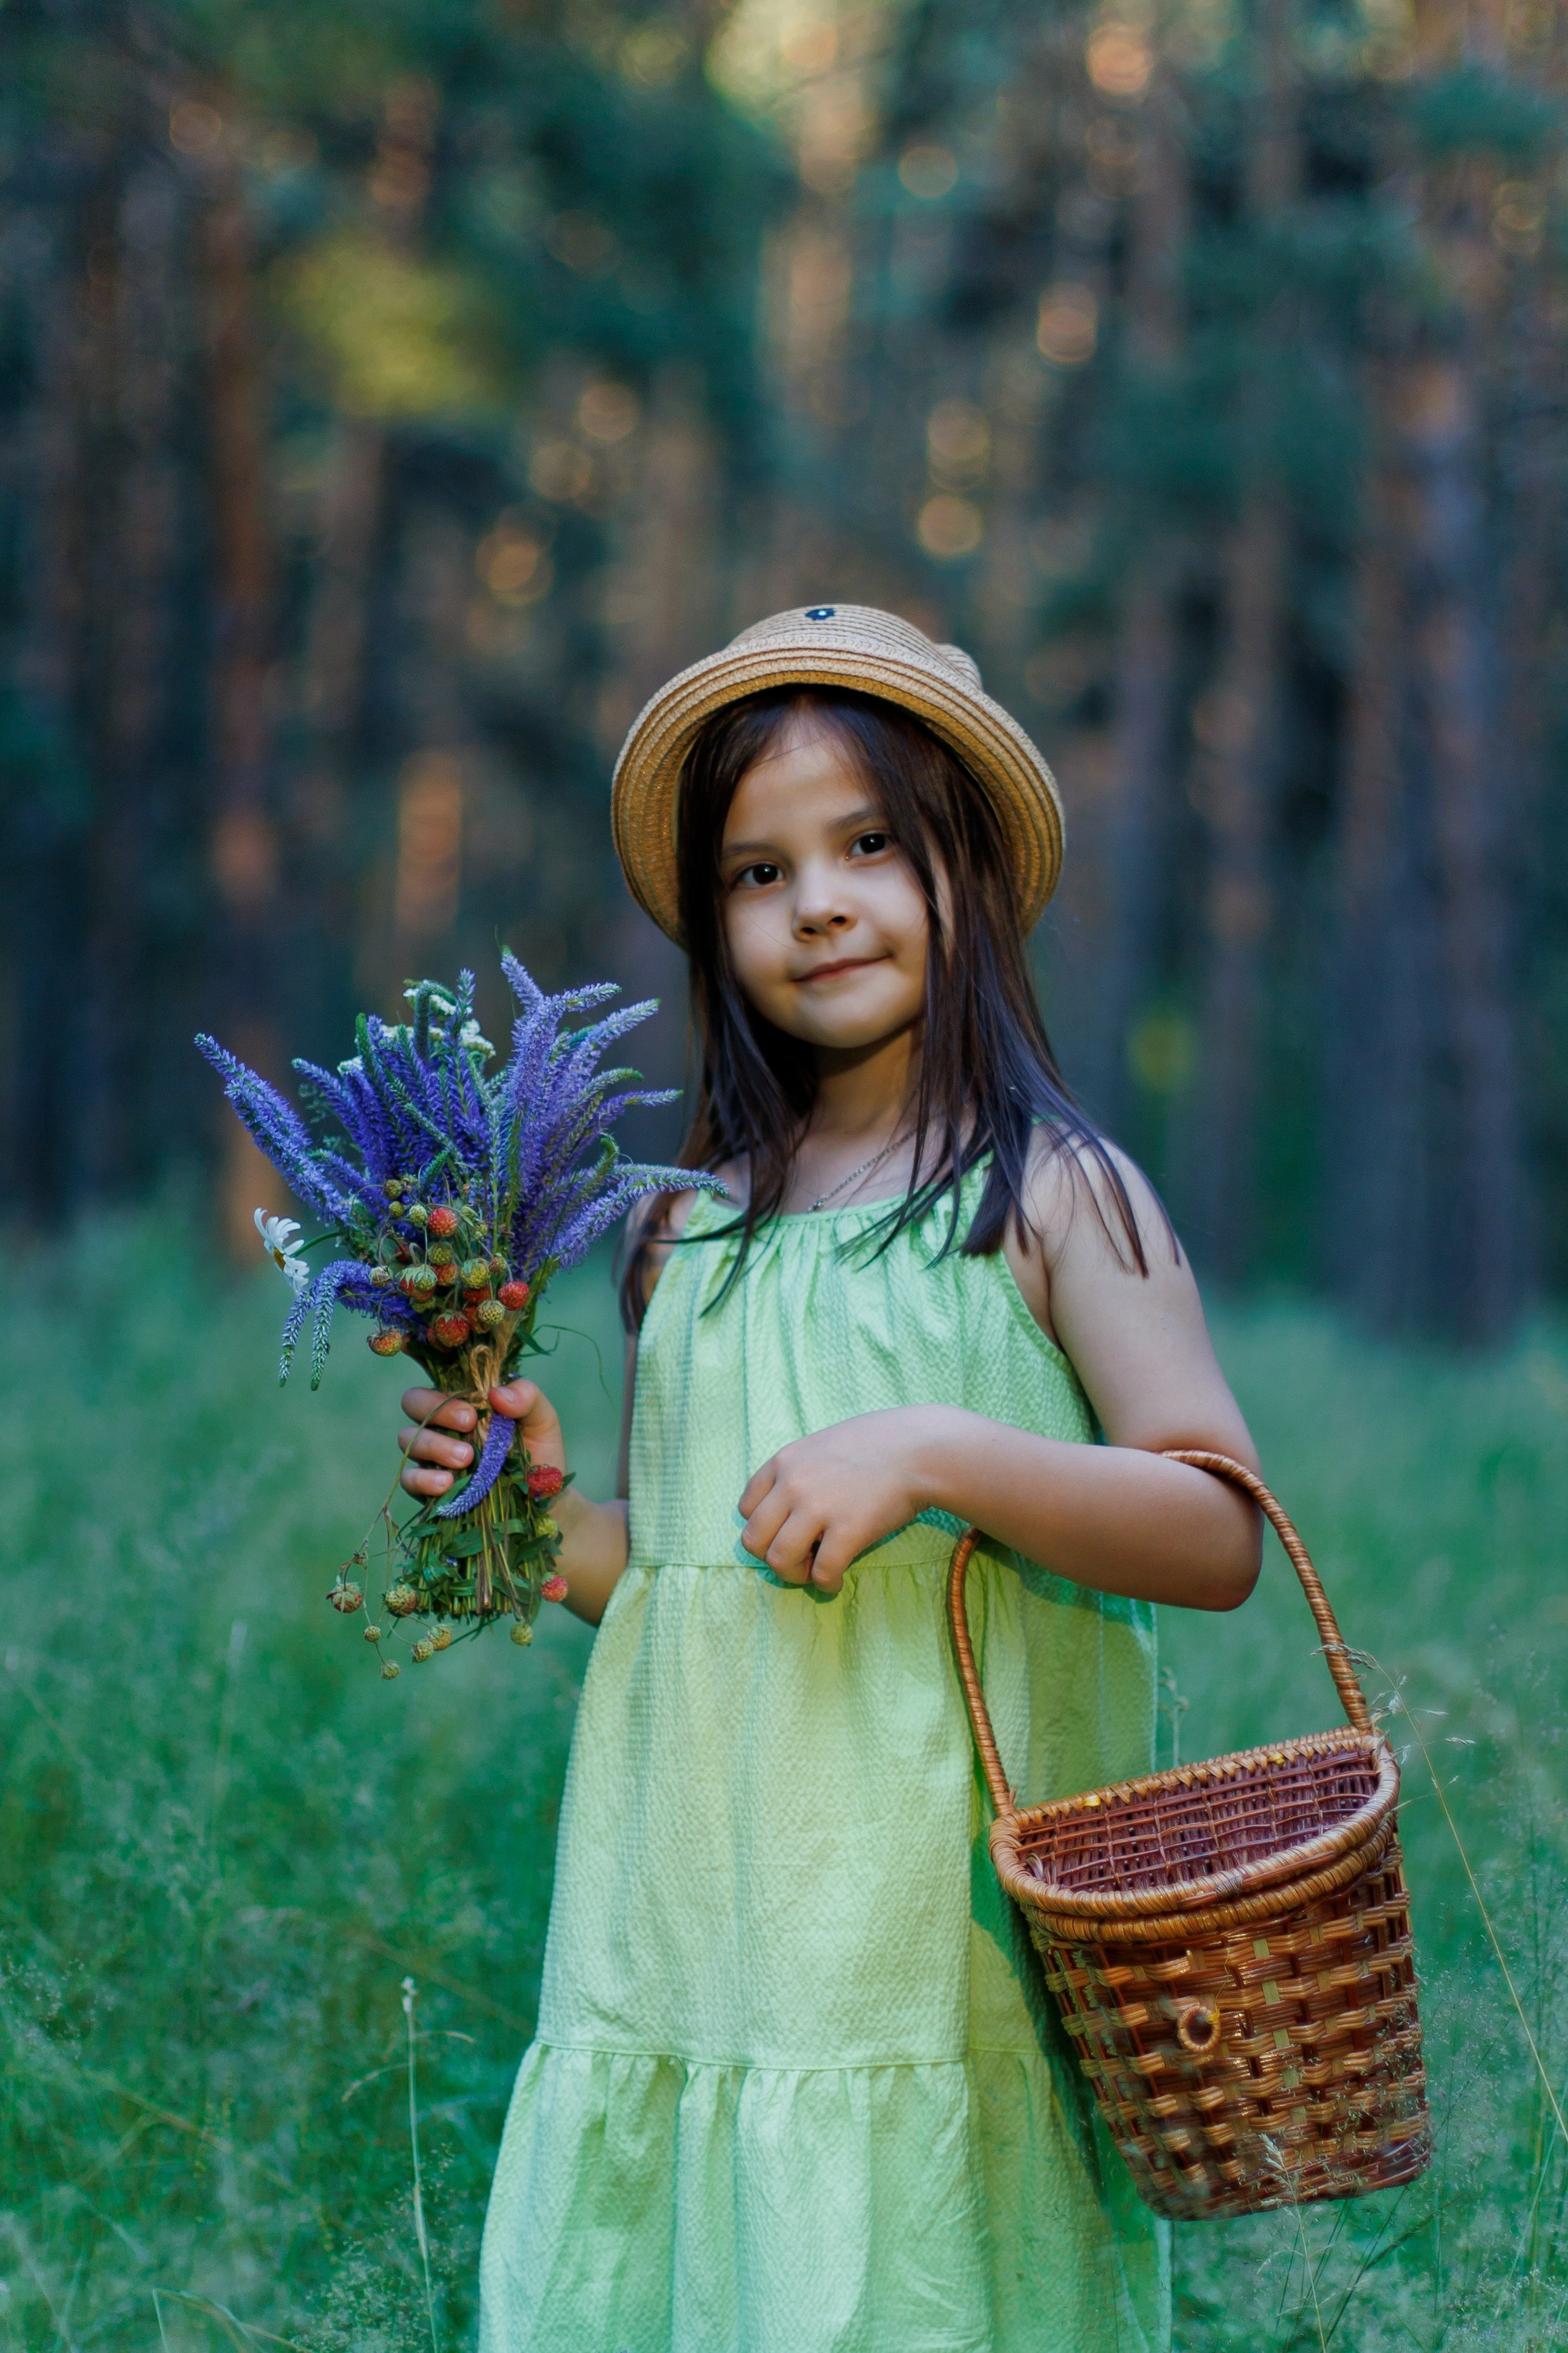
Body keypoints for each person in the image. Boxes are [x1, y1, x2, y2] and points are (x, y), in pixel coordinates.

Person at [397, 606, 1262, 2353]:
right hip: (695, 1933)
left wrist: (941, 1447)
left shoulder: (1056, 1194)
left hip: (926, 1953)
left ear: (971, 872)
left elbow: (1219, 1525)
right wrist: (519, 1511)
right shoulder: (681, 1234)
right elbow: (686, 1575)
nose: (819, 902)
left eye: (870, 843)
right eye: (759, 870)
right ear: (715, 928)